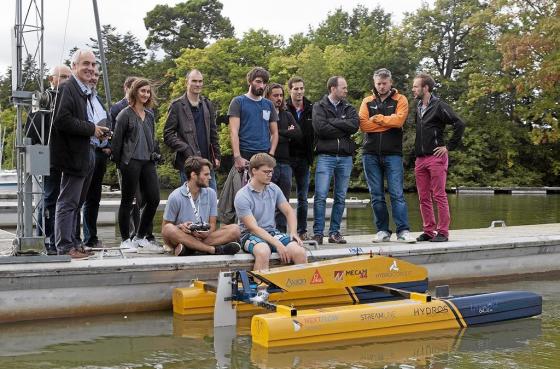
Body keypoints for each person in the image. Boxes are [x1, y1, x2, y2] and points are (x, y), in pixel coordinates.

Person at [51, 49, 109, 258]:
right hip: (73, 154)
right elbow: (61, 119)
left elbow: (86, 120)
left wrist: (99, 132)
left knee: (77, 203)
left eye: (93, 65)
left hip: (89, 151)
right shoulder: (68, 88)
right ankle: (65, 247)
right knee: (67, 202)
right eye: (86, 63)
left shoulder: (85, 91)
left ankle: (75, 243)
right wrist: (91, 129)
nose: (90, 68)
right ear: (74, 66)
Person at [359, 68, 415, 243]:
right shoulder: (367, 101)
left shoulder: (401, 99)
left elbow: (399, 121)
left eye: (384, 83)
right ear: (374, 84)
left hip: (393, 154)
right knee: (376, 195)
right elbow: (363, 125)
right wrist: (387, 122)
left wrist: (378, 118)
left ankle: (403, 231)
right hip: (370, 154)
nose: (381, 87)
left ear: (390, 83)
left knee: (397, 193)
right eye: (378, 84)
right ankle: (383, 230)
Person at [412, 73, 465, 242]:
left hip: (436, 157)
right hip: (420, 159)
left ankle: (443, 232)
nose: (413, 89)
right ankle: (428, 231)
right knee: (423, 197)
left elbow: (459, 124)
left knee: (439, 195)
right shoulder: (418, 107)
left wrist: (448, 147)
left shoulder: (439, 106)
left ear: (425, 88)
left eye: (415, 86)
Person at [112, 78, 162, 253]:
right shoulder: (124, 114)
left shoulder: (149, 115)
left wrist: (155, 154)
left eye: (148, 92)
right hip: (130, 162)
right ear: (135, 92)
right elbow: (116, 143)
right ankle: (125, 240)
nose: (146, 94)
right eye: (143, 91)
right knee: (127, 201)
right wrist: (120, 164)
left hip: (147, 161)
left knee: (154, 199)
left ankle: (140, 237)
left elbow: (151, 139)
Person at [26, 64, 72, 254]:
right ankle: (45, 239)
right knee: (49, 198)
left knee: (67, 201)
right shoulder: (43, 102)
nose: (65, 81)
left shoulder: (72, 100)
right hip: (49, 160)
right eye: (62, 77)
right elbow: (31, 132)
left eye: (69, 77)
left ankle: (64, 239)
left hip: (69, 159)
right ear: (52, 80)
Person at [234, 153, 307, 271]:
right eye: (266, 172)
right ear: (254, 171)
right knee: (263, 252)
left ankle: (300, 287)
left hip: (272, 232)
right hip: (249, 235)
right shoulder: (242, 195)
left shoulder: (274, 188)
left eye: (271, 171)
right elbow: (253, 228)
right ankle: (260, 287)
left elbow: (289, 211)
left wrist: (293, 232)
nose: (270, 175)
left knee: (299, 251)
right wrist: (278, 245)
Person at [312, 76, 359, 245]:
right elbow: (320, 129)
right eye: (343, 88)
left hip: (345, 157)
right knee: (320, 196)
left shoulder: (350, 107)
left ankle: (334, 233)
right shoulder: (319, 106)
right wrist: (342, 126)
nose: (346, 90)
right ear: (333, 88)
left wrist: (333, 122)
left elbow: (354, 126)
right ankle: (318, 233)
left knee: (340, 196)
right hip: (326, 156)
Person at [162, 156, 241, 256]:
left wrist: (207, 232)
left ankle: (190, 248)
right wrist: (180, 227)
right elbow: (165, 231)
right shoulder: (175, 196)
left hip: (203, 238)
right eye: (206, 174)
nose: (210, 177)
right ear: (194, 175)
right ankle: (213, 250)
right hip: (182, 237)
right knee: (169, 228)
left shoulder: (211, 193)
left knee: (235, 229)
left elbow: (212, 225)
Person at [163, 69, 221, 191]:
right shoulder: (177, 106)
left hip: (207, 163)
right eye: (194, 81)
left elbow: (213, 133)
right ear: (186, 82)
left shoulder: (207, 104)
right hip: (188, 164)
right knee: (190, 204)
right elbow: (168, 135)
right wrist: (185, 148)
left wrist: (217, 155)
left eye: (200, 81)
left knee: (211, 202)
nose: (198, 84)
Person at [265, 83, 302, 233]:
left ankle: (280, 231)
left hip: (285, 163)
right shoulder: (264, 113)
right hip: (268, 163)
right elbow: (265, 135)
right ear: (268, 96)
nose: (279, 98)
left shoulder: (286, 114)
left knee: (283, 200)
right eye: (275, 95)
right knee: (266, 199)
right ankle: (266, 230)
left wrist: (277, 134)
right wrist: (286, 132)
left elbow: (298, 134)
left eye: (281, 95)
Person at [82, 66, 112, 248]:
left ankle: (91, 238)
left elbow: (104, 123)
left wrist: (108, 145)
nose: (94, 78)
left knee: (94, 197)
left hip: (100, 154)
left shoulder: (97, 99)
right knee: (80, 196)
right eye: (91, 75)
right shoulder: (81, 98)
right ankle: (78, 239)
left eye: (97, 76)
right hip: (85, 151)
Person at [228, 67, 279, 169]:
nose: (261, 85)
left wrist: (271, 154)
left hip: (264, 153)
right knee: (244, 185)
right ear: (250, 81)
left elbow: (275, 133)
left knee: (263, 184)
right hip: (244, 153)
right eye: (258, 82)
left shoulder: (269, 104)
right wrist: (237, 157)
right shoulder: (238, 102)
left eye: (264, 83)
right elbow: (234, 131)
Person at [286, 77, 314, 240]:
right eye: (296, 89)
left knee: (303, 197)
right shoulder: (284, 108)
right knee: (284, 196)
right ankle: (284, 230)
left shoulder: (311, 107)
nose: (299, 92)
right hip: (287, 157)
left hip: (304, 157)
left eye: (301, 88)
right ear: (290, 90)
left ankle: (302, 230)